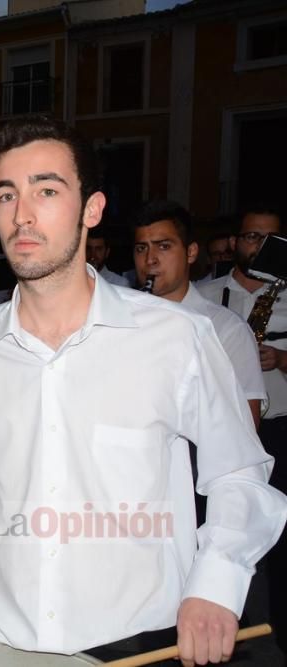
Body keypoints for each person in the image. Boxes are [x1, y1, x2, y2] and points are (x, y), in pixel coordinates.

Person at [0, 116, 287, 665]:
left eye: (47, 190)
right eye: (6, 194)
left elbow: (238, 472)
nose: (22, 213)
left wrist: (216, 585)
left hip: (133, 638)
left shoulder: (177, 337)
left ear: (92, 209)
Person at [198, 203, 287, 655]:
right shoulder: (206, 295)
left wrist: (283, 360)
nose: (260, 246)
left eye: (270, 238)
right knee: (220, 534)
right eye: (252, 236)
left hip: (279, 431)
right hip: (219, 437)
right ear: (235, 241)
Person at [131, 201, 265, 427]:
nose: (150, 259)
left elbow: (246, 425)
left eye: (163, 246)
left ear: (191, 252)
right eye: (141, 248)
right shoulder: (120, 320)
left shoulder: (227, 329)